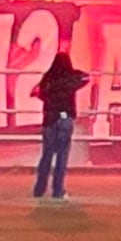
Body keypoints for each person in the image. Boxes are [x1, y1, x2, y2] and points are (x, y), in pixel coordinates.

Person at [31, 46, 84, 200]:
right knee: (61, 156)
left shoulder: (47, 79)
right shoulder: (70, 79)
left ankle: (39, 189)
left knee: (47, 155)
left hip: (49, 120)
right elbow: (84, 77)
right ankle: (58, 190)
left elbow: (40, 94)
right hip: (64, 119)